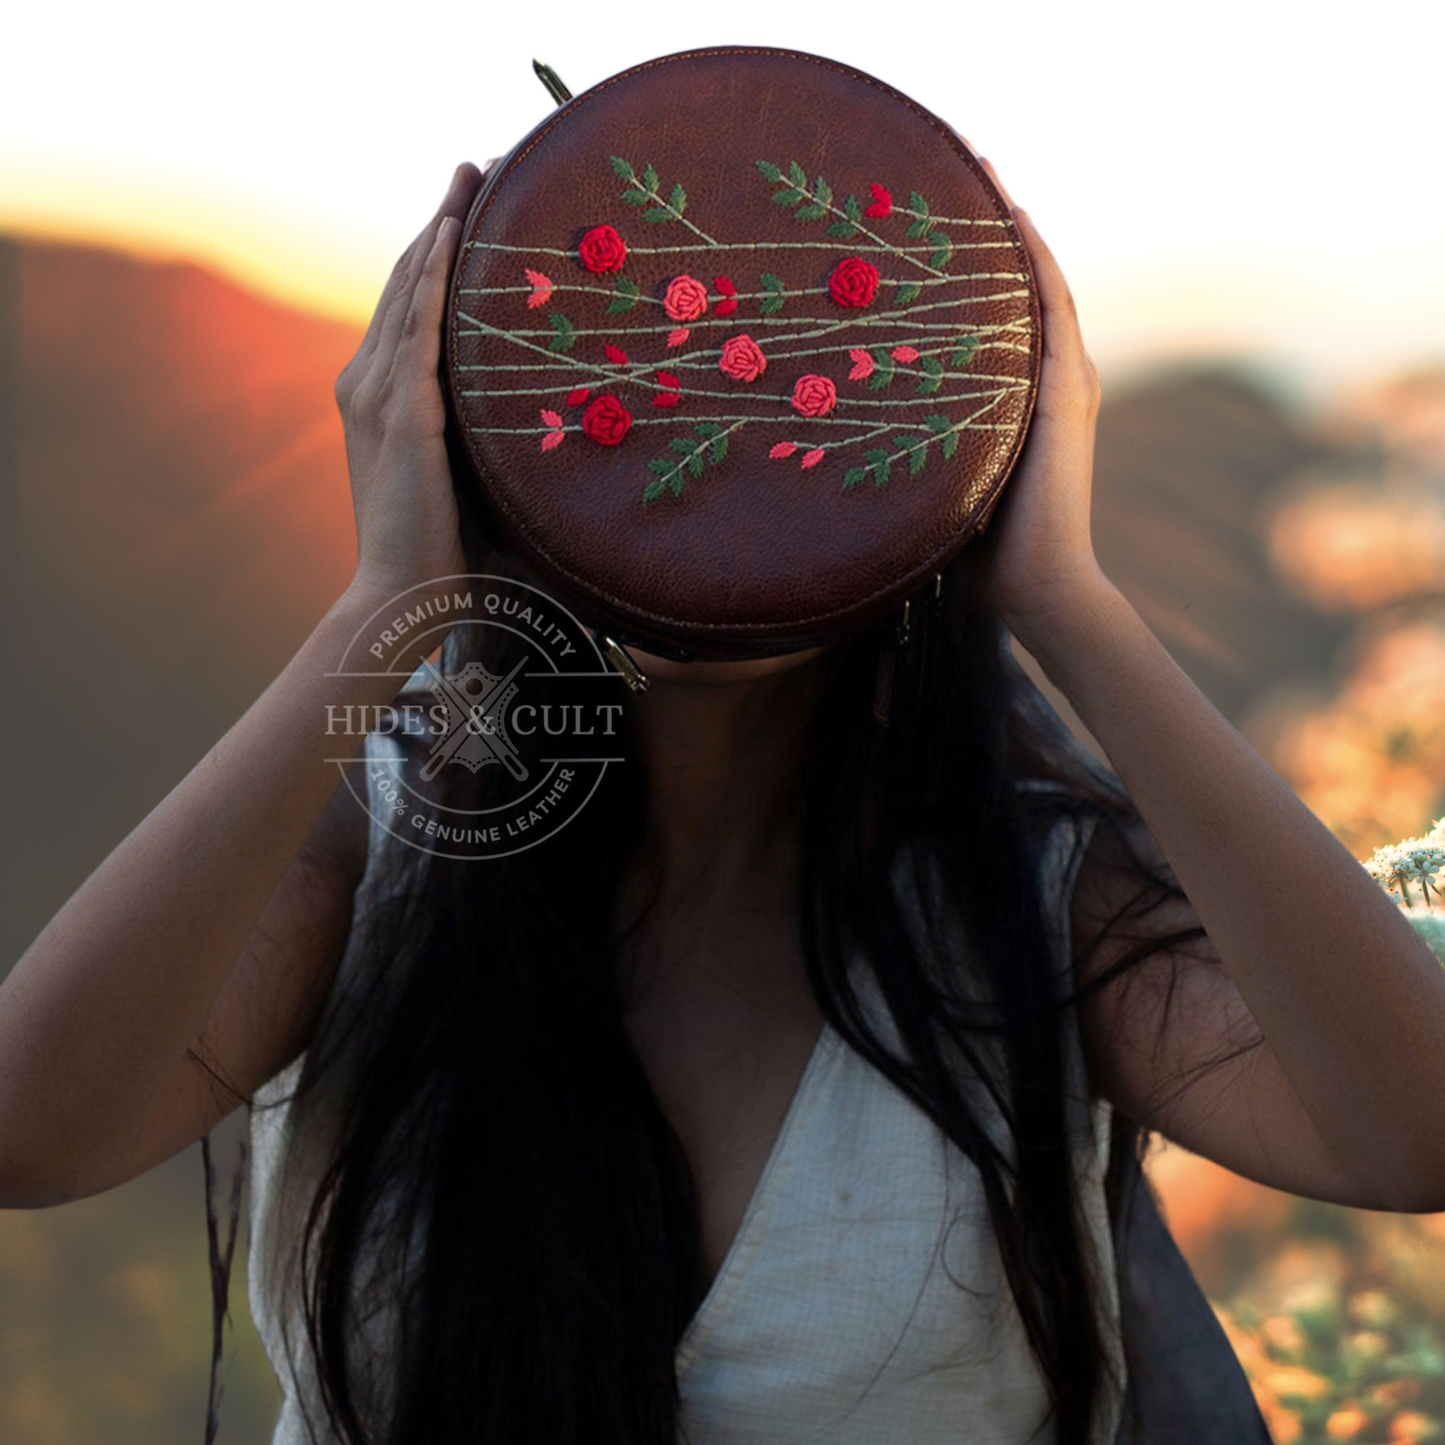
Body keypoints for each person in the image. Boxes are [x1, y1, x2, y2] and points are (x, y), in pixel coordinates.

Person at [3, 148, 1443, 1445]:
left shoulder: (1033, 901)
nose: (709, 439)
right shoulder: (388, 845)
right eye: (624, 381)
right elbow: (33, 1132)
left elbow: (1412, 1132)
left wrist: (1061, 594)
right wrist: (387, 602)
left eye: (785, 378)